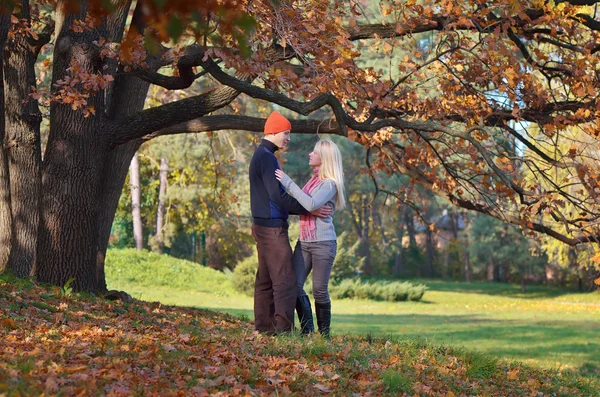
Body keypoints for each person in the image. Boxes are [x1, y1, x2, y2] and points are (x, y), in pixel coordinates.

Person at [249, 111, 332, 335]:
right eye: (286, 133)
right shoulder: (267, 157)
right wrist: (310, 209)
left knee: (265, 279)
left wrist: (308, 207)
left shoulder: (262, 155)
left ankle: (264, 328)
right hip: (272, 227)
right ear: (273, 132)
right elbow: (278, 197)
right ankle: (283, 331)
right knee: (285, 280)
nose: (288, 138)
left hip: (261, 225)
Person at [275, 139, 345, 338]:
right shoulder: (312, 181)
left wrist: (287, 182)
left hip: (323, 244)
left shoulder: (329, 184)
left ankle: (324, 337)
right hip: (304, 242)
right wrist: (311, 208)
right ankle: (308, 332)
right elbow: (305, 205)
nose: (309, 154)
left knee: (319, 291)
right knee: (294, 285)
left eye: (314, 152)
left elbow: (309, 202)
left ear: (325, 158)